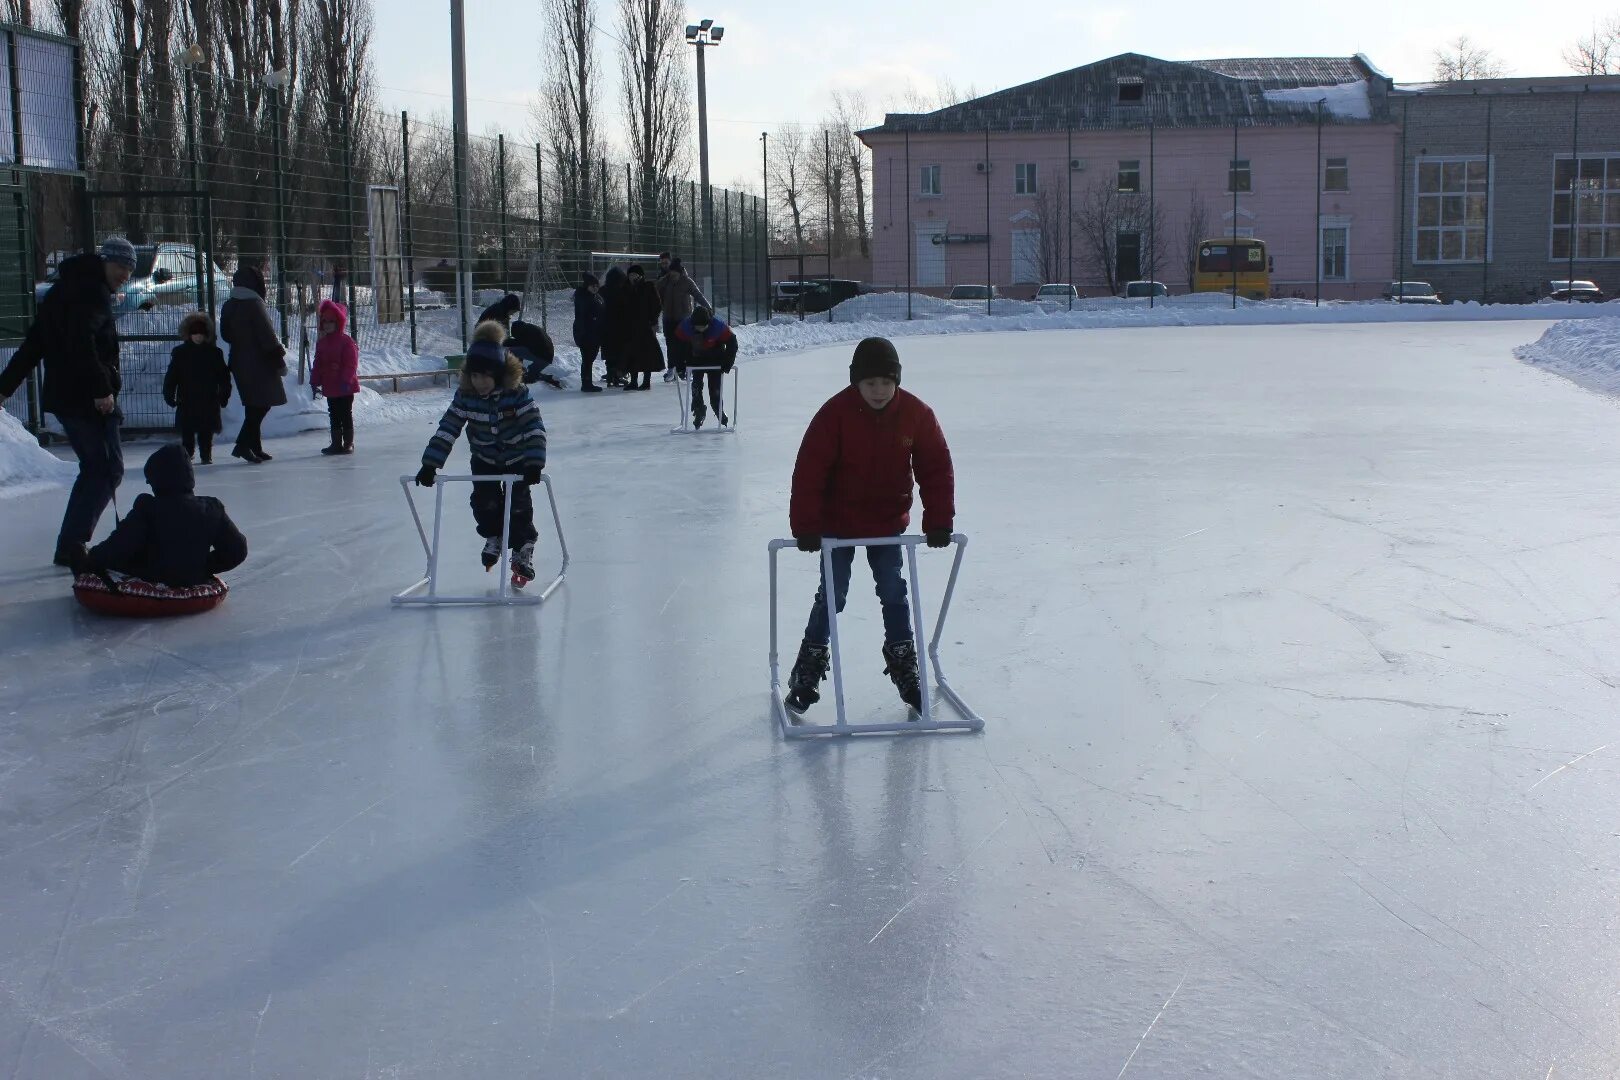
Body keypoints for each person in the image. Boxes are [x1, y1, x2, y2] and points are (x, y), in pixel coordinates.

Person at [784, 337, 955, 715]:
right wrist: (807, 525)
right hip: (837, 522)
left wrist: (939, 520)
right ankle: (808, 667)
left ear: (897, 381)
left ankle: (902, 661)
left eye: (885, 382)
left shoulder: (916, 414)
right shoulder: (835, 414)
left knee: (894, 591)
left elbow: (935, 467)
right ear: (855, 383)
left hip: (886, 522)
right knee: (834, 593)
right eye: (869, 383)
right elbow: (809, 470)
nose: (878, 391)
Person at [0, 237, 135, 566]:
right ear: (104, 261)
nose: (126, 275)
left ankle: (71, 543)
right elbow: (81, 344)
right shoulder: (90, 294)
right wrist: (102, 389)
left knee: (99, 468)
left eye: (131, 270)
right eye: (121, 267)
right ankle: (72, 544)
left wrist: (5, 386)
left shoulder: (65, 290)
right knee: (105, 468)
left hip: (68, 396)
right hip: (85, 397)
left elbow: (35, 344)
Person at [415, 319, 549, 584]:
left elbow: (534, 426)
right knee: (484, 503)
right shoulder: (466, 396)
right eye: (475, 375)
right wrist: (430, 464)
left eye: (486, 375)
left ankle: (522, 550)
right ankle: (494, 536)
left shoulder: (517, 392)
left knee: (519, 507)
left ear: (498, 373)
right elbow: (448, 428)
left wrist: (534, 463)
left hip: (518, 459)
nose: (480, 382)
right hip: (485, 458)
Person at [75, 444, 247, 589]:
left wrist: (90, 560)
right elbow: (237, 549)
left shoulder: (148, 508)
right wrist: (202, 566)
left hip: (149, 577)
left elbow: (119, 546)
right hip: (193, 578)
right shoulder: (212, 508)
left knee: (83, 554)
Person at [219, 262, 288, 463]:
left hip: (239, 362)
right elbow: (267, 336)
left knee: (253, 406)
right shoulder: (254, 304)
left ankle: (255, 447)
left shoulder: (229, 304)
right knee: (261, 406)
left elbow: (226, 335)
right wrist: (279, 361)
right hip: (261, 363)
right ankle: (242, 445)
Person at [163, 312, 231, 465]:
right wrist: (169, 394)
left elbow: (223, 376)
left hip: (208, 397)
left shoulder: (214, 353)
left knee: (206, 430)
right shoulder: (180, 353)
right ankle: (188, 453)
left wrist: (224, 394)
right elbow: (172, 377)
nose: (198, 337)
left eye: (201, 333)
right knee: (187, 430)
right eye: (194, 333)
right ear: (189, 334)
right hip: (187, 398)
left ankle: (206, 454)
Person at [309, 298, 360, 455]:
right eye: (325, 321)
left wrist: (346, 380)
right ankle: (336, 443)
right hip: (330, 385)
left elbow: (351, 363)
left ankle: (348, 443)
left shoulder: (347, 342)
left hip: (344, 386)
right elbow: (318, 363)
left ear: (339, 322)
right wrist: (315, 380)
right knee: (334, 414)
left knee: (345, 413)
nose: (328, 324)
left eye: (331, 321)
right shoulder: (322, 343)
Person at [674, 306, 737, 429]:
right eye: (698, 327)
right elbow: (676, 346)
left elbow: (732, 342)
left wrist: (727, 363)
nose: (701, 329)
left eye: (703, 327)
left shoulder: (718, 327)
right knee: (696, 387)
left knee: (715, 389)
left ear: (709, 323)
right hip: (695, 360)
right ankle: (698, 409)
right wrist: (680, 365)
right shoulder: (685, 327)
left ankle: (718, 409)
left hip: (715, 360)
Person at [657, 257, 709, 384]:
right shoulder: (665, 281)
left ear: (679, 272)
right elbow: (655, 291)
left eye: (675, 273)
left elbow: (698, 295)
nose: (673, 275)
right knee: (671, 345)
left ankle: (683, 370)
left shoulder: (687, 282)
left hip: (683, 319)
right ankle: (671, 370)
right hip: (669, 318)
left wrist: (708, 307)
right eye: (671, 273)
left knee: (684, 345)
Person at [617, 263, 665, 391]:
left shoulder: (648, 287)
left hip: (645, 327)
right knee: (632, 355)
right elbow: (621, 307)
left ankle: (646, 382)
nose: (632, 277)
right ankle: (633, 381)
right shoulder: (625, 288)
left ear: (640, 275)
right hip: (630, 328)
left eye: (635, 274)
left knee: (646, 355)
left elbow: (657, 304)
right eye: (630, 275)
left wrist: (652, 319)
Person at [572, 273, 605, 393]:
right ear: (587, 286)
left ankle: (587, 382)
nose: (596, 288)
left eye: (597, 286)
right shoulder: (584, 298)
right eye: (593, 286)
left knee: (589, 358)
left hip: (592, 332)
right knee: (587, 358)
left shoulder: (593, 296)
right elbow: (586, 316)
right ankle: (586, 383)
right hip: (586, 333)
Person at [599, 266, 629, 387]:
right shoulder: (623, 291)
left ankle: (610, 375)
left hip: (605, 327)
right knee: (619, 353)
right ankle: (617, 376)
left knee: (609, 353)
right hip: (620, 327)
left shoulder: (602, 290)